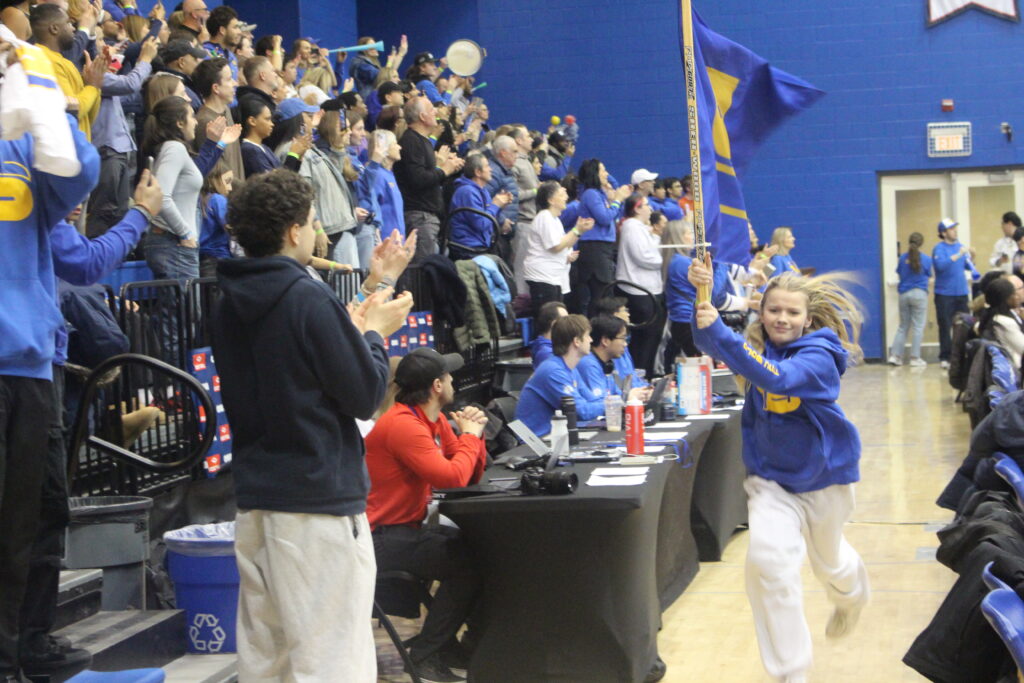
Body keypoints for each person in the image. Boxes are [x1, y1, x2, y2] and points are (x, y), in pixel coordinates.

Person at [211, 169, 414, 682]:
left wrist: (370, 298)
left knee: (269, 661)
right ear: (293, 232)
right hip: (317, 503)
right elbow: (366, 395)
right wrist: (373, 334)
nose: (318, 229)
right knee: (333, 663)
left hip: (258, 500)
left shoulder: (229, 300)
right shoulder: (306, 296)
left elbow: (295, 367)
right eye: (312, 220)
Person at [687, 261, 870, 683]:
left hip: (825, 479)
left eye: (791, 313)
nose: (781, 319)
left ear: (807, 319)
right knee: (768, 563)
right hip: (770, 483)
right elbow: (707, 338)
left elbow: (778, 380)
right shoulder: (758, 347)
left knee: (831, 566)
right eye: (773, 311)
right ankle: (791, 672)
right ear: (761, 310)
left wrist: (718, 330)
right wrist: (701, 290)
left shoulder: (820, 355)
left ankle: (851, 596)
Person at [0, 100, 99, 682]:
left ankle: (10, 660)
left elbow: (81, 169)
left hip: (29, 365)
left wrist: (35, 92)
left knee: (21, 530)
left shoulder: (20, 148)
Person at [365, 348, 488, 682]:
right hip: (382, 537)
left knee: (483, 549)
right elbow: (450, 477)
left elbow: (468, 473)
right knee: (468, 566)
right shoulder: (404, 425)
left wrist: (471, 436)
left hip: (406, 529)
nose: (453, 381)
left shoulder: (430, 420)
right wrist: (469, 437)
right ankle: (424, 655)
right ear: (437, 385)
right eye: (449, 376)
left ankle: (453, 642)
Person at [517, 315, 648, 436]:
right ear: (577, 341)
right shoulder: (553, 371)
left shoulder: (570, 368)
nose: (591, 340)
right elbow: (581, 412)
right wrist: (621, 401)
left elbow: (590, 400)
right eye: (587, 336)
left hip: (554, 436)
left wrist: (616, 401)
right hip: (535, 441)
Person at [85, 34, 157, 237]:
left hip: (120, 149)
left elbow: (130, 93)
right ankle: (94, 259)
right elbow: (130, 84)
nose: (106, 46)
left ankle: (116, 258)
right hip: (107, 149)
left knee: (120, 211)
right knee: (104, 210)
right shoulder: (92, 74)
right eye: (99, 42)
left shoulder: (105, 75)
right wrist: (145, 60)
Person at [394, 96, 463, 260]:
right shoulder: (411, 141)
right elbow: (418, 179)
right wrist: (444, 170)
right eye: (432, 110)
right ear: (422, 116)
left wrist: (448, 168)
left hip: (428, 216)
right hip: (420, 217)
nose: (436, 113)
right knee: (424, 269)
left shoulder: (422, 141)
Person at [32, 3, 107, 140]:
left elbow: (87, 117)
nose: (73, 28)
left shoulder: (64, 62)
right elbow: (73, 110)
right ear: (54, 28)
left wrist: (93, 84)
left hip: (80, 147)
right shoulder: (46, 61)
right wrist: (92, 86)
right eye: (67, 23)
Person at [522, 180, 593, 315]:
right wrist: (577, 230)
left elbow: (563, 244)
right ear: (551, 200)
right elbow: (556, 246)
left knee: (556, 319)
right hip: (543, 277)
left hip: (553, 276)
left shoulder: (555, 219)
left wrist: (579, 233)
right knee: (549, 320)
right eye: (561, 194)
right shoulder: (545, 217)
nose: (566, 197)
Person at [615, 193, 665, 377]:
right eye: (646, 205)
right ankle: (640, 376)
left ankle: (648, 375)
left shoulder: (642, 228)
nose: (650, 209)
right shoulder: (631, 227)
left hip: (650, 289)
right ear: (636, 208)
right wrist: (664, 259)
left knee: (653, 337)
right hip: (638, 289)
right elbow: (643, 256)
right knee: (645, 338)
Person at [576, 158, 631, 315]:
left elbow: (614, 210)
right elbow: (605, 218)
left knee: (606, 291)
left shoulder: (600, 194)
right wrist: (618, 200)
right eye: (603, 170)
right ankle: (597, 330)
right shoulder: (591, 194)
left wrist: (615, 197)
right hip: (594, 248)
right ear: (595, 174)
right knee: (600, 293)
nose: (607, 173)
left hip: (603, 248)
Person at [933, 217, 980, 368]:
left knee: (965, 325)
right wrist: (958, 255)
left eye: (955, 228)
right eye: (951, 229)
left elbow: (968, 267)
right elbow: (940, 266)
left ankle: (963, 355)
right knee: (945, 326)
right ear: (943, 233)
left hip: (961, 292)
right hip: (944, 294)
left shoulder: (960, 246)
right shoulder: (939, 249)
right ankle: (945, 357)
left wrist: (972, 256)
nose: (955, 231)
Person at [446, 154, 512, 261]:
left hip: (481, 246)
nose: (490, 169)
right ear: (478, 172)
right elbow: (481, 224)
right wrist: (496, 205)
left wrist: (501, 207)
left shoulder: (482, 190)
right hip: (467, 249)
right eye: (487, 166)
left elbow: (488, 216)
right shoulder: (467, 192)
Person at [192, 56, 245, 183]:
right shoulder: (205, 122)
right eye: (229, 79)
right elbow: (217, 172)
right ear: (216, 88)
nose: (235, 83)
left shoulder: (226, 109)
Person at [576, 314, 652, 401]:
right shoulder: (588, 364)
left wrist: (638, 392)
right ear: (605, 341)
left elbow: (616, 392)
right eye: (622, 338)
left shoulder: (609, 364)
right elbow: (600, 400)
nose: (625, 344)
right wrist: (627, 397)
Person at [888, 232, 932, 367]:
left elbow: (900, 274)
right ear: (921, 243)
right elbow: (928, 275)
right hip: (919, 294)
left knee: (903, 326)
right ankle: (914, 358)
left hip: (904, 294)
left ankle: (896, 356)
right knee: (918, 327)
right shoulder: (926, 259)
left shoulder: (902, 258)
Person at [359, 128, 405, 238]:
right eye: (395, 144)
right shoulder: (378, 175)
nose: (400, 147)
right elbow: (373, 207)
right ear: (384, 147)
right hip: (385, 239)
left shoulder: (389, 174)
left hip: (396, 239)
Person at [976, 277, 1024, 370]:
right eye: (1013, 294)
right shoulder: (1005, 322)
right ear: (1005, 299)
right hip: (1016, 369)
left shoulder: (990, 316)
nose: (1017, 297)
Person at [198, 160, 233, 277]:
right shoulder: (218, 200)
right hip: (219, 260)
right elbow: (230, 225)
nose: (230, 188)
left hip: (199, 260)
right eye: (227, 182)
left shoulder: (199, 200)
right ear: (215, 179)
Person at [155, 39, 205, 110]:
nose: (198, 62)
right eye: (195, 59)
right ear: (182, 62)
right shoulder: (183, 90)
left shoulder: (162, 80)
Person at [202, 5, 240, 82]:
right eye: (235, 27)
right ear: (222, 30)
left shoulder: (231, 56)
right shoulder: (206, 54)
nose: (239, 32)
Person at [530, 301, 568, 369]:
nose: (569, 323)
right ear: (554, 324)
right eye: (565, 319)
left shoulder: (554, 347)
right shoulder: (546, 353)